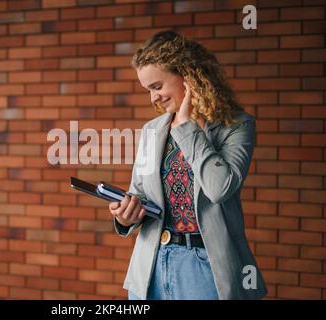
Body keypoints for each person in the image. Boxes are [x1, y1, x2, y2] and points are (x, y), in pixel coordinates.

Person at [108, 30, 267, 300]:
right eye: (148, 90)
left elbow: (219, 188)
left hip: (207, 271)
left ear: (188, 75)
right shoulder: (152, 130)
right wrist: (126, 217)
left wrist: (187, 128)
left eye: (157, 87)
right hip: (150, 268)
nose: (153, 99)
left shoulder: (237, 126)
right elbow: (139, 192)